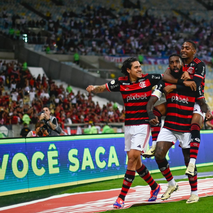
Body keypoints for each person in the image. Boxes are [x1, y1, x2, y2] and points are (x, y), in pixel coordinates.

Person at [86, 57, 174, 209]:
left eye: (140, 67)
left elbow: (166, 77)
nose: (140, 69)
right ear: (128, 70)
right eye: (136, 67)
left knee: (132, 158)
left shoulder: (148, 79)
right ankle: (155, 187)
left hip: (142, 125)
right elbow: (104, 87)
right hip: (128, 127)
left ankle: (121, 198)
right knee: (137, 164)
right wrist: (94, 88)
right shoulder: (121, 83)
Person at [147, 54, 205, 204]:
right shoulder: (164, 80)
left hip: (186, 125)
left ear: (181, 64)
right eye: (171, 62)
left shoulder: (191, 79)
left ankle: (194, 193)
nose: (174, 64)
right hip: (170, 124)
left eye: (177, 62)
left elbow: (198, 93)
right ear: (169, 65)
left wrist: (208, 110)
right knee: (159, 155)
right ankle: (172, 184)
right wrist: (151, 109)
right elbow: (155, 97)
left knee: (188, 161)